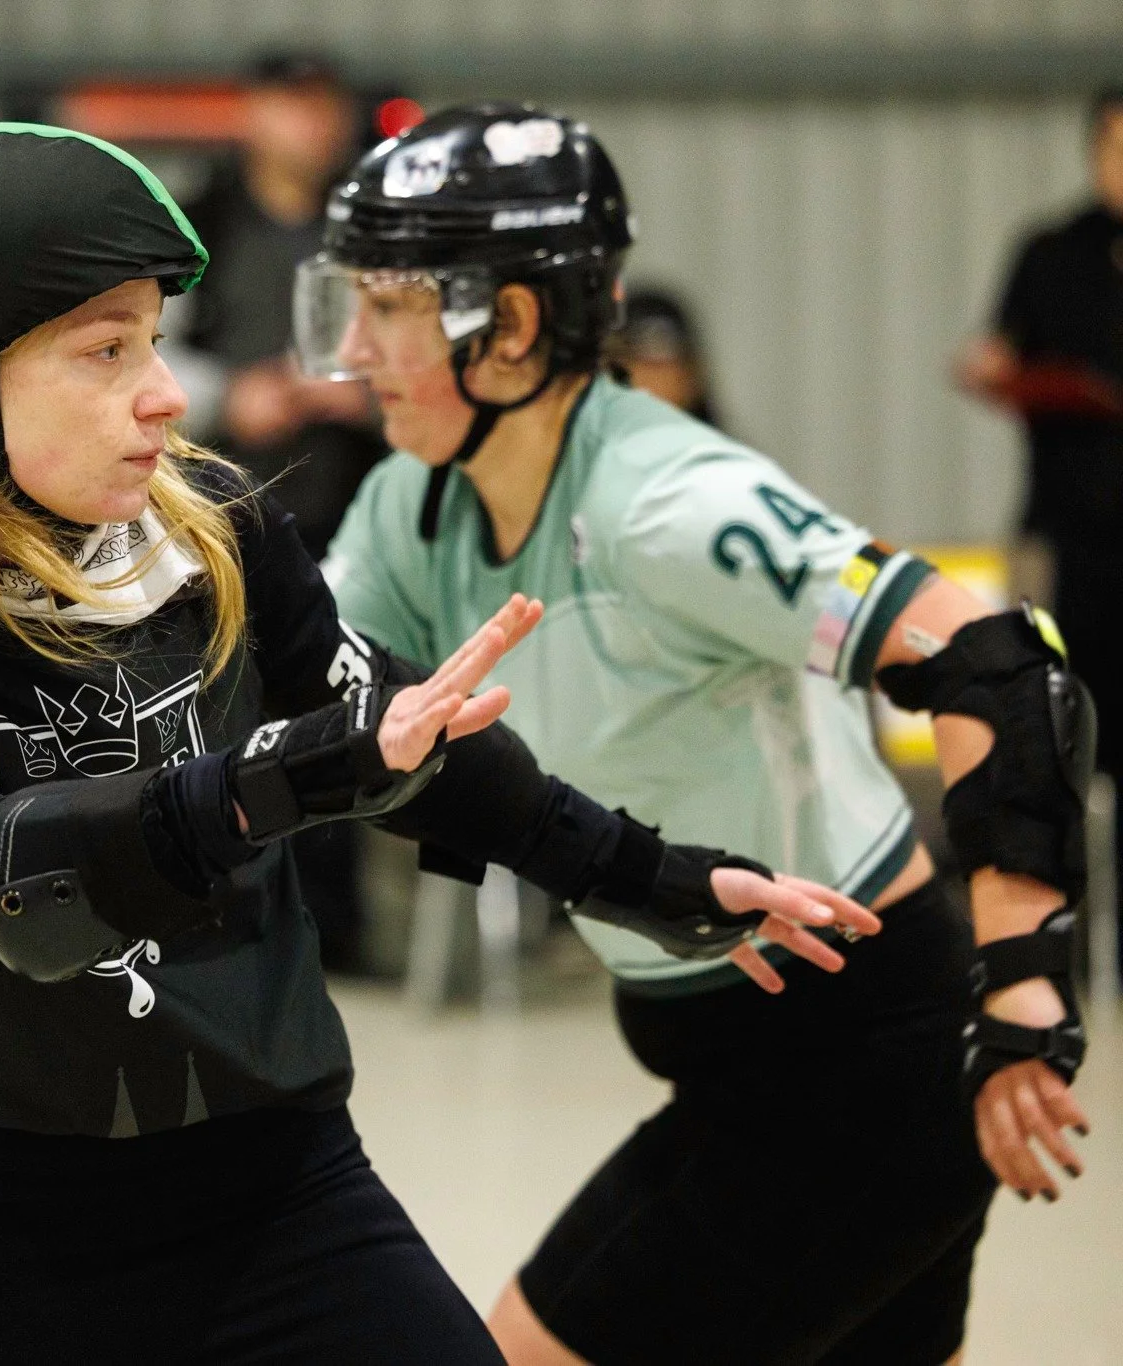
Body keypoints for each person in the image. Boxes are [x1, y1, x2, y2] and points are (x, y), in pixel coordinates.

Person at [0, 123, 875, 1362]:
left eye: (151, 340)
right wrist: (266, 783)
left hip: (275, 1202)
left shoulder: (217, 534)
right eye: (104, 352)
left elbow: (412, 749)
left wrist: (648, 877)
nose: (164, 392)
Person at [313, 103, 1098, 1365]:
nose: (349, 351)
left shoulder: (667, 503)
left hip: (857, 1073)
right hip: (747, 1070)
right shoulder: (414, 502)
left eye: (387, 307)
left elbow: (999, 667)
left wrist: (1023, 987)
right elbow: (292, 693)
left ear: (507, 326)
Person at [166, 52, 387, 968]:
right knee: (216, 711)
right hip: (220, 510)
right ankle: (219, 910)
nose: (311, 126)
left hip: (349, 503)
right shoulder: (200, 218)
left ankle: (333, 924)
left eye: (323, 106)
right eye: (291, 106)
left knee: (342, 701)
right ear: (252, 114)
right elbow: (139, 347)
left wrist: (368, 398)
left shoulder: (372, 224)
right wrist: (235, 399)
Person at [957, 84, 1123, 986]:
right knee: (1055, 736)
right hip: (1071, 537)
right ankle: (1051, 946)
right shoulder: (1052, 253)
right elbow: (999, 353)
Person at [603, 285, 721, 427]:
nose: (648, 379)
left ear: (691, 373)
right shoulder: (590, 443)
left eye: (658, 364)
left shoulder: (717, 447)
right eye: (634, 360)